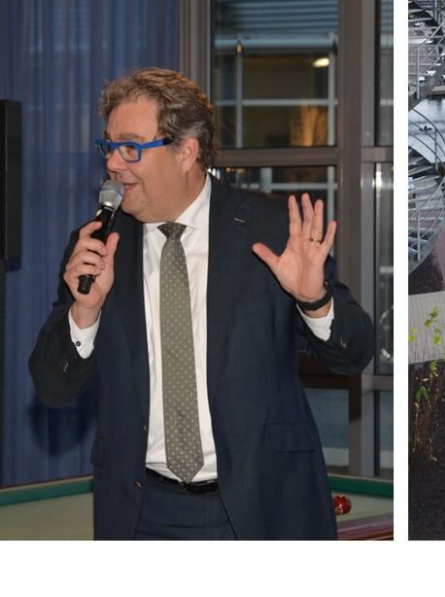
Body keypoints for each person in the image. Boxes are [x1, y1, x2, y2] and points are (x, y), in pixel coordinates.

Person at [28, 68, 374, 540]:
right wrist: (84, 310)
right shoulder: (97, 246)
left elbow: (354, 354)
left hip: (263, 507)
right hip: (141, 514)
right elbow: (51, 387)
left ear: (187, 150)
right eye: (108, 146)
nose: (113, 163)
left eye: (131, 147)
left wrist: (313, 300)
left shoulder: (270, 231)